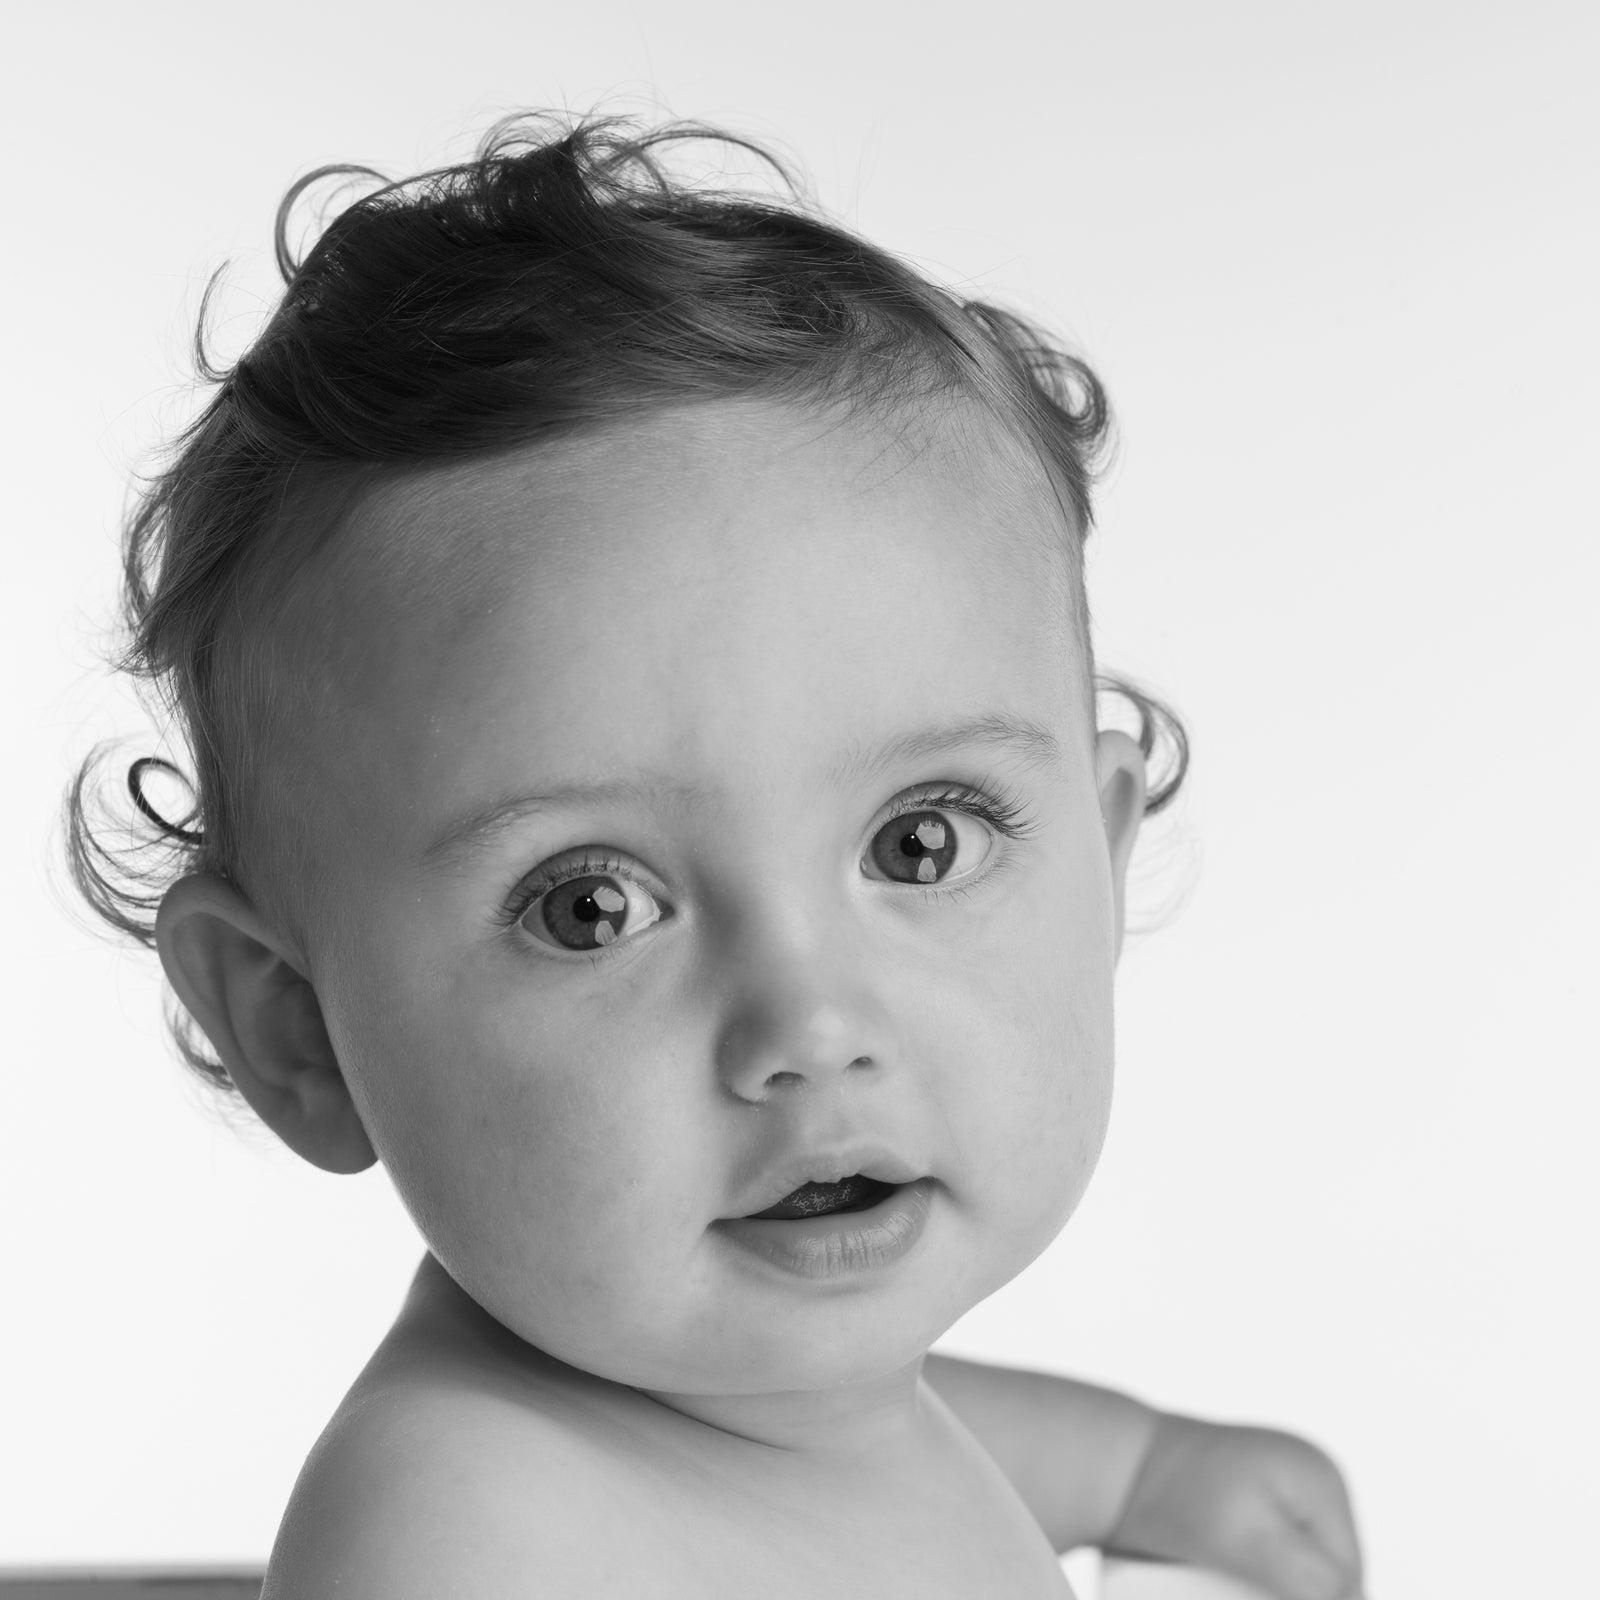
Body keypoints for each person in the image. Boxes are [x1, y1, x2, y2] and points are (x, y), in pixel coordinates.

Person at [68, 111, 1365, 1599]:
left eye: (919, 842)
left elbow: (870, 1455)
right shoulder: (468, 1538)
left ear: (1105, 856)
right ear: (298, 1030)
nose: (808, 1029)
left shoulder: (762, 1412)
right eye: (593, 905)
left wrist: (1148, 1474)